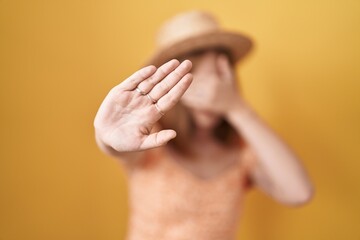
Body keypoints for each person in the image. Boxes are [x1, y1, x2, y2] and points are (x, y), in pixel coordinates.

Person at [94, 10, 314, 240]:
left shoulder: (242, 150)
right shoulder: (149, 138)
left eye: (220, 80)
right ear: (173, 86)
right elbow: (117, 145)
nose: (211, 95)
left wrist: (237, 107)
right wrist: (105, 136)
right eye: (197, 83)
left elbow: (299, 193)